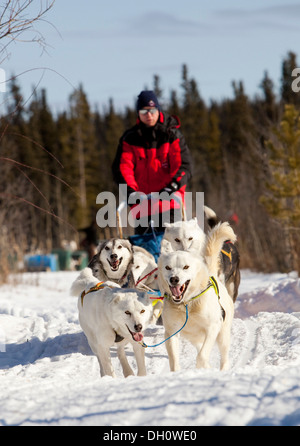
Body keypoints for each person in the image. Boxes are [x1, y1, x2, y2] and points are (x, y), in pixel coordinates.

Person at [112, 90, 192, 234]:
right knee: (144, 252)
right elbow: (123, 169)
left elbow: (183, 166)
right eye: (144, 111)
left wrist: (172, 187)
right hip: (142, 206)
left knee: (173, 251)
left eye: (152, 110)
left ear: (158, 110)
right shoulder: (129, 139)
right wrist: (131, 192)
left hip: (170, 204)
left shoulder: (171, 135)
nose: (148, 115)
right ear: (138, 113)